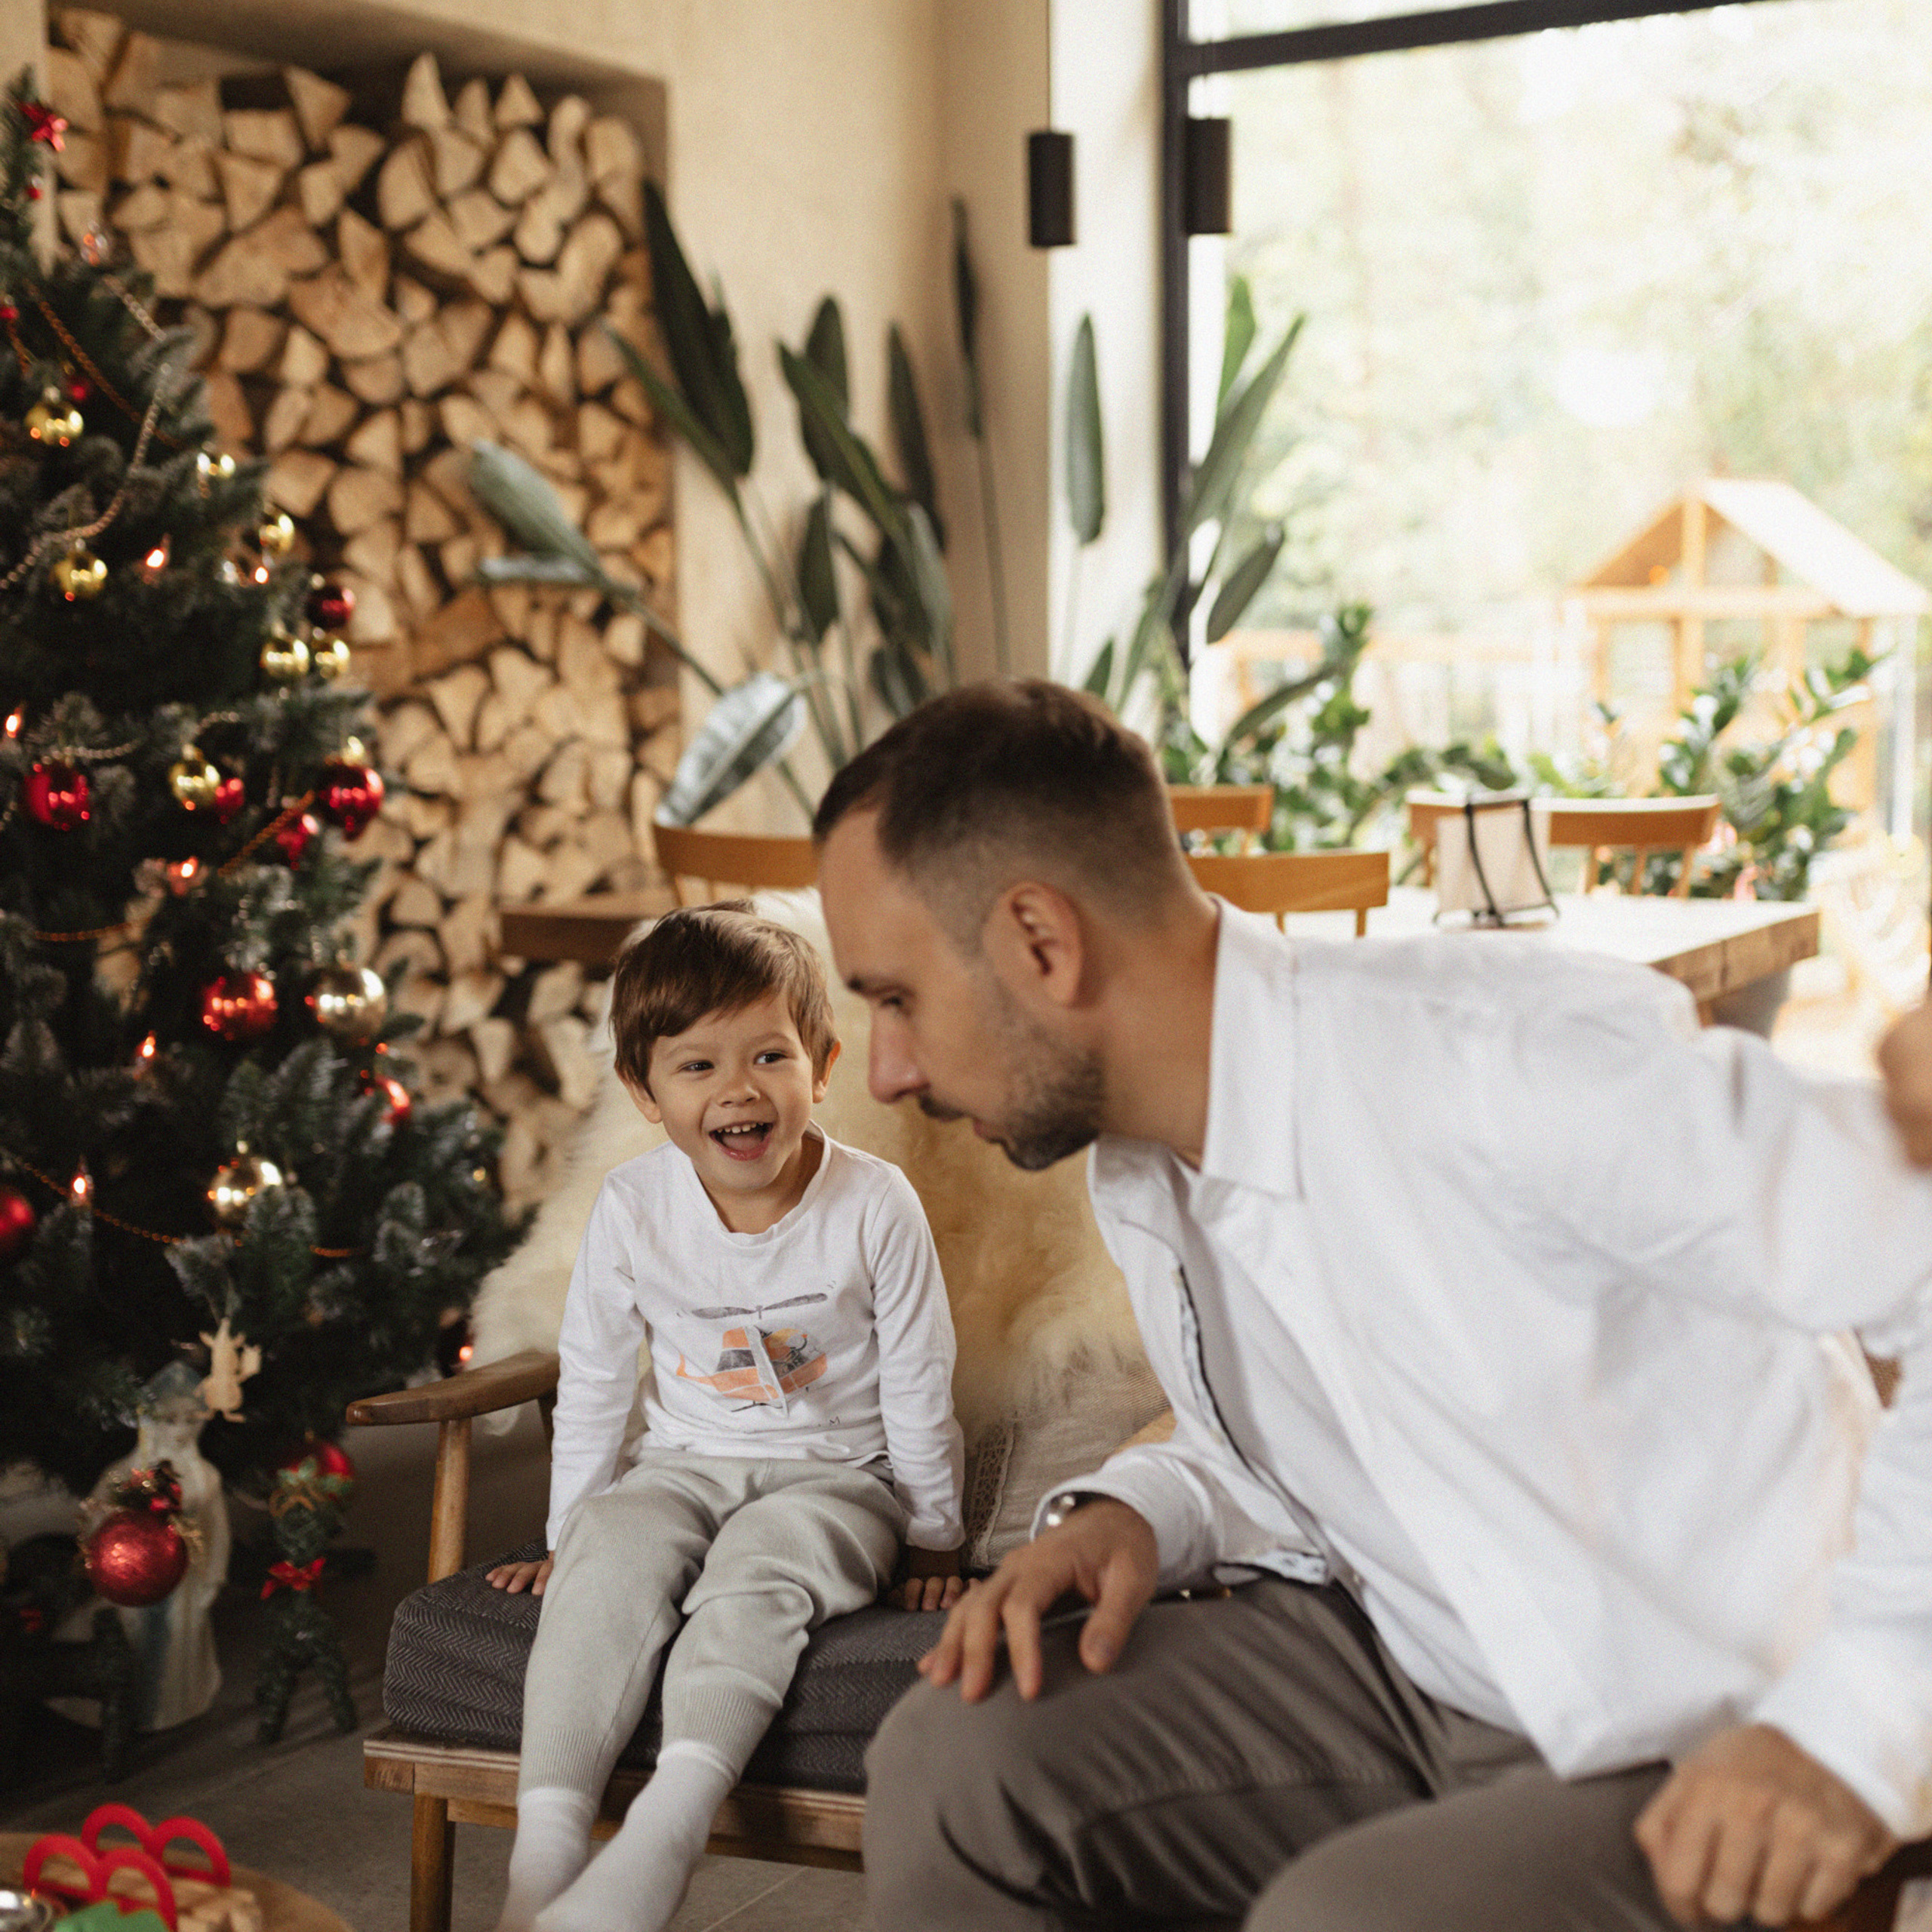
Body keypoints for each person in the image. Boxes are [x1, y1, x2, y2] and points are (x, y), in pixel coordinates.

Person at [811, 680, 1932, 1932]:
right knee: (955, 1765)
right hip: (1416, 1674)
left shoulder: (1500, 1062)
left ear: (1040, 942)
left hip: (1708, 1736)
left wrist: (1859, 1721)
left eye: (893, 997)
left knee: (1341, 1917)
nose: (886, 1071)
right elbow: (1367, 1417)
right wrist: (1145, 1508)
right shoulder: (1145, 1159)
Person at [484, 903, 964, 1932]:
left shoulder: (876, 1205)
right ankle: (547, 1848)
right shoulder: (631, 1206)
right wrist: (572, 1532)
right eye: (696, 1067)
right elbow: (599, 1380)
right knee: (612, 1557)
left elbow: (923, 1375)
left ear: (822, 1066)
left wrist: (933, 1532)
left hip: (837, 1480)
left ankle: (667, 1832)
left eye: (767, 1056)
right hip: (682, 1466)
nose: (738, 1089)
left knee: (762, 1570)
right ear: (643, 1092)